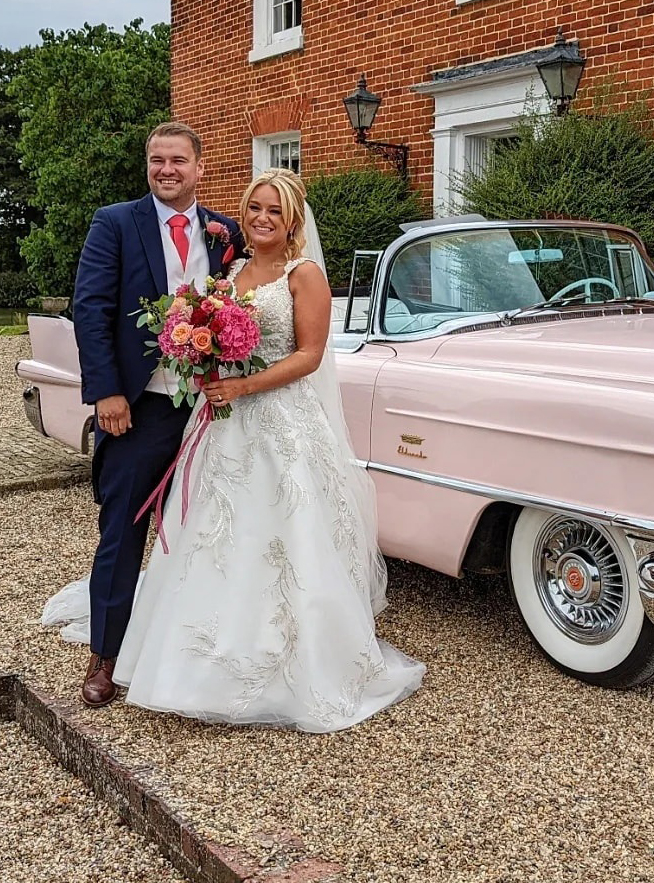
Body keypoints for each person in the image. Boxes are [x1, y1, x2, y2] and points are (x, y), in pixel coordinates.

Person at [49, 168, 424, 732]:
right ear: (241, 215)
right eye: (255, 209)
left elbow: (310, 355)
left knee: (283, 536)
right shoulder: (228, 272)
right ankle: (171, 650)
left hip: (280, 423)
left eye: (275, 211)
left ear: (294, 218)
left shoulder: (306, 275)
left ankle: (288, 655)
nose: (263, 219)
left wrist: (242, 385)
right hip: (220, 422)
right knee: (211, 534)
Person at [70, 122, 243, 708]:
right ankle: (105, 655)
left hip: (209, 408)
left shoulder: (227, 234)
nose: (166, 170)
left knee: (208, 530)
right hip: (138, 407)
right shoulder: (115, 223)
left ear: (199, 166)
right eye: (156, 161)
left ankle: (194, 650)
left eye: (177, 161)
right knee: (123, 529)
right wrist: (106, 393)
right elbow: (90, 309)